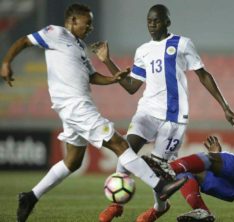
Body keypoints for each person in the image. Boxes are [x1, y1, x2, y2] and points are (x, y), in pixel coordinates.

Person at [0, 4, 187, 222]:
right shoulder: (56, 33)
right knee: (120, 144)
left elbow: (92, 77)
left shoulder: (79, 47)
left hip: (75, 107)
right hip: (75, 106)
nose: (90, 27)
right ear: (72, 21)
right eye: (86, 22)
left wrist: (113, 79)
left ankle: (30, 196)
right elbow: (24, 40)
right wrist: (6, 62)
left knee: (73, 161)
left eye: (91, 23)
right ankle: (160, 185)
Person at [91, 4, 234, 222]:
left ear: (167, 22)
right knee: (126, 148)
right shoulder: (143, 50)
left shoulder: (182, 44)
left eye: (157, 20)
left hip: (174, 118)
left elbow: (204, 75)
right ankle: (116, 205)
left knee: (161, 167)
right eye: (149, 21)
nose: (152, 25)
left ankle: (159, 208)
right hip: (147, 111)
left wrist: (226, 107)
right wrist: (106, 61)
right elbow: (132, 86)